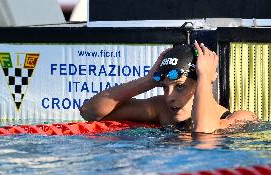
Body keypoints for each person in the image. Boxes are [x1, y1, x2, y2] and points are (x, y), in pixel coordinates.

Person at [80, 41, 258, 133]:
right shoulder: (162, 110)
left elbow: (203, 136)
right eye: (165, 88)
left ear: (203, 83)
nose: (169, 96)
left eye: (179, 87)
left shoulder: (241, 118)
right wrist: (147, 81)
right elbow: (90, 112)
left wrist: (205, 78)